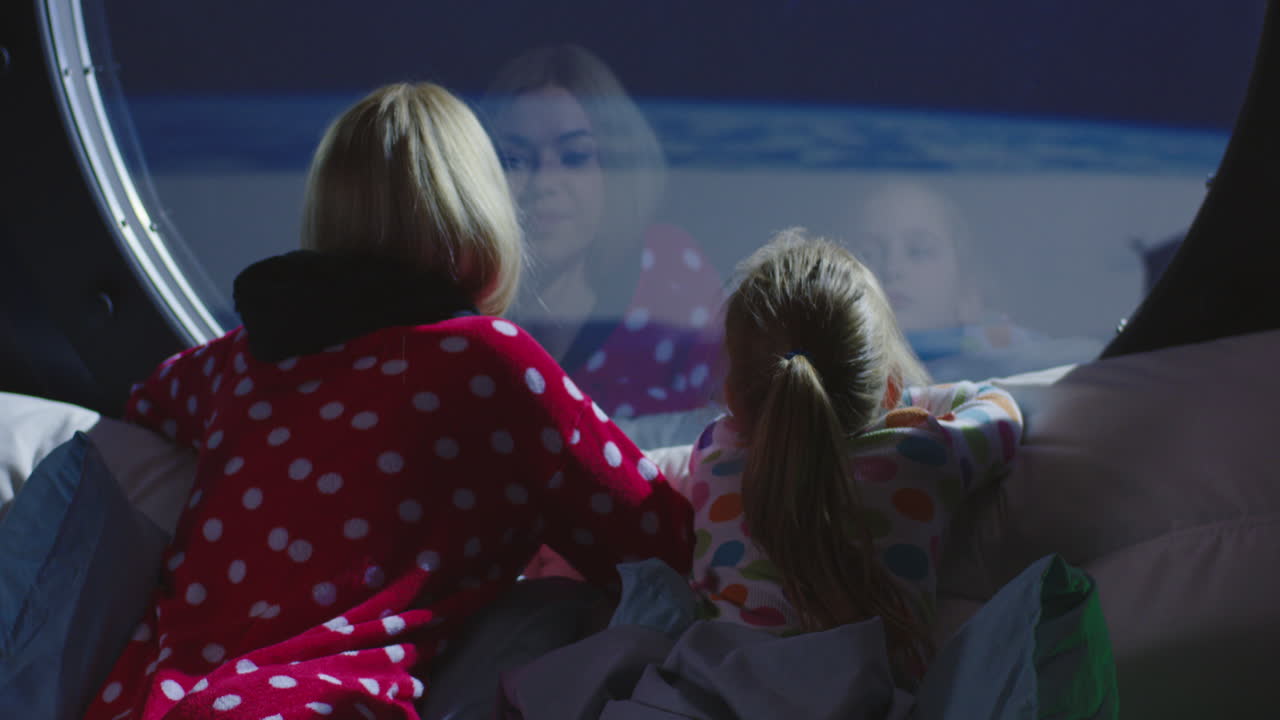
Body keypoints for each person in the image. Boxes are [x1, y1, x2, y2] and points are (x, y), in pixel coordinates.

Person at [82, 82, 694, 720]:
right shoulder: (491, 363)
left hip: (138, 702)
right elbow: (660, 537)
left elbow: (145, 405)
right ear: (478, 209)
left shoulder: (238, 361)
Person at [678, 229, 1023, 685]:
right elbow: (1001, 411)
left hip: (727, 695)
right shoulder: (921, 455)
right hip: (871, 701)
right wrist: (903, 403)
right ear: (890, 388)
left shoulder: (713, 459)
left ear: (732, 398)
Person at [484, 44, 725, 421]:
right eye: (514, 160)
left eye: (575, 157)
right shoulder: (460, 307)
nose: (544, 182)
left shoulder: (669, 278)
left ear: (614, 172)